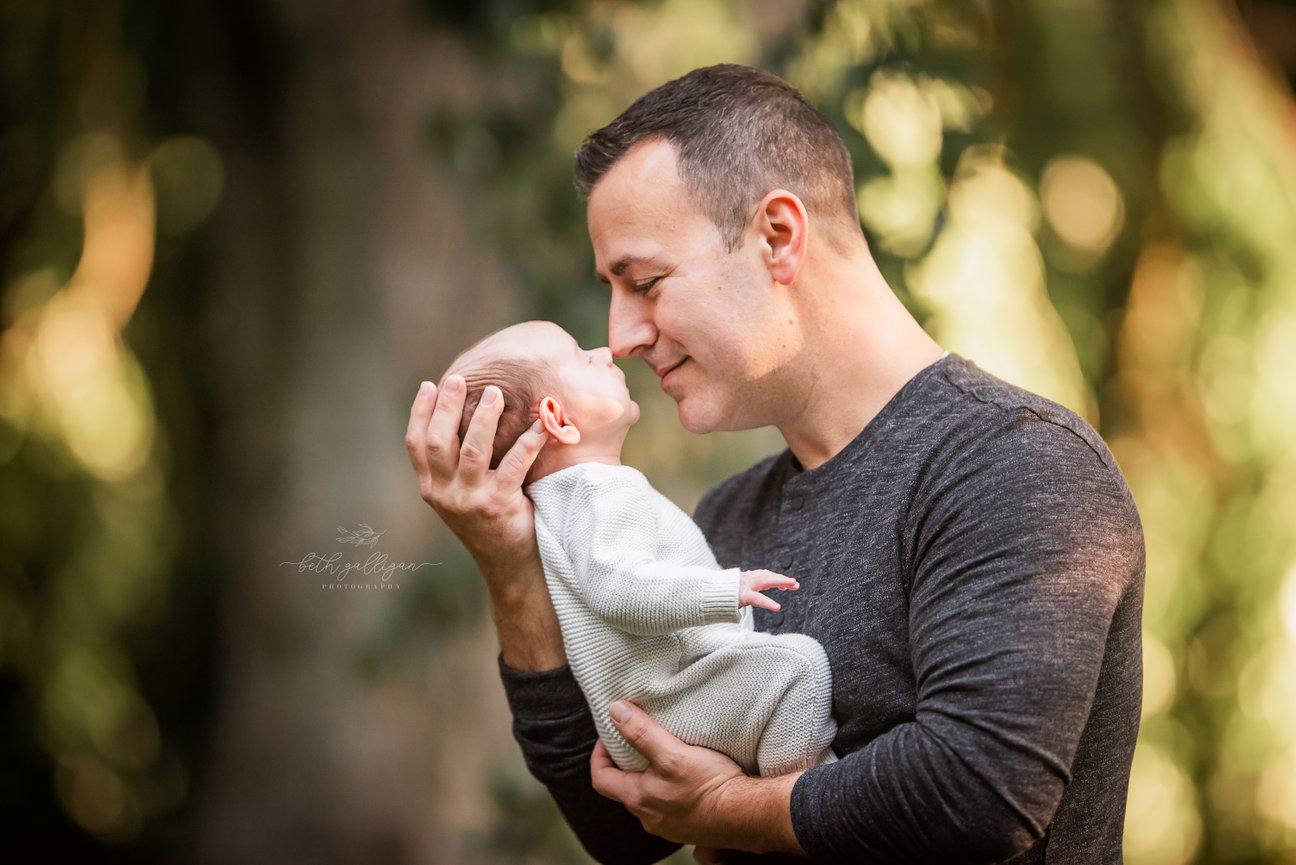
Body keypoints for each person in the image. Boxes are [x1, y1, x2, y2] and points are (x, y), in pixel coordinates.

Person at [406, 63, 1145, 864]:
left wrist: (729, 808)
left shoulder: (1018, 467)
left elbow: (977, 794)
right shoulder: (727, 517)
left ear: (779, 238)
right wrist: (511, 562)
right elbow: (620, 828)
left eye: (646, 282)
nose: (621, 337)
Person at [439, 319, 838, 778]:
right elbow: (619, 589)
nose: (605, 353)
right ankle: (800, 792)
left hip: (651, 717)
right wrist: (727, 589)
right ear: (557, 419)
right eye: (581, 356)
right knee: (798, 668)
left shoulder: (549, 508)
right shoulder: (600, 489)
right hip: (676, 702)